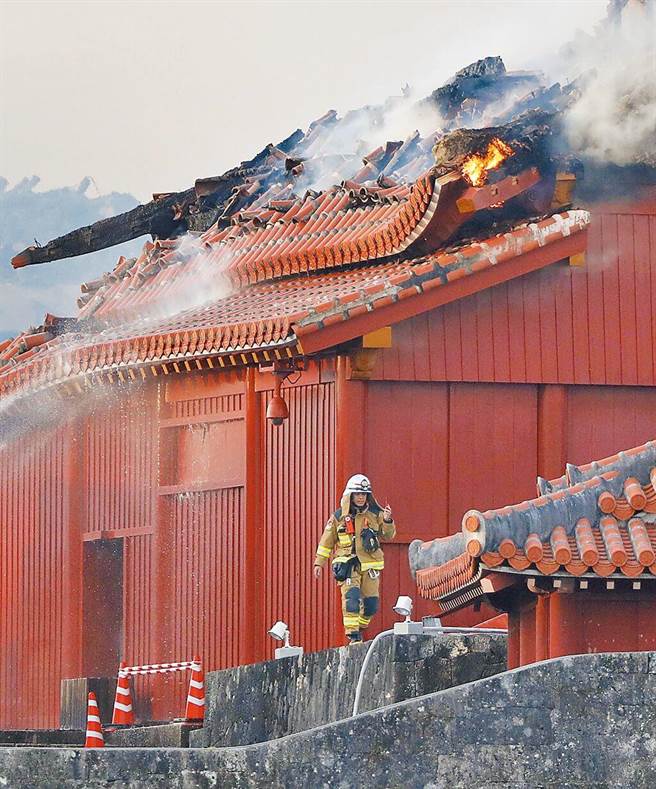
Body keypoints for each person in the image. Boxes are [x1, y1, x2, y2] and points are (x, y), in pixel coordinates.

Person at [313, 474, 396, 644]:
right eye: (357, 494)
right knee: (351, 599)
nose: (360, 497)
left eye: (363, 494)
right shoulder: (338, 517)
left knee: (371, 605)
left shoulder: (375, 514)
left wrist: (388, 521)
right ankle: (353, 635)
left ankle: (360, 626)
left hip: (370, 566)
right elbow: (326, 542)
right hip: (349, 565)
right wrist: (319, 563)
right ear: (350, 495)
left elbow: (388, 535)